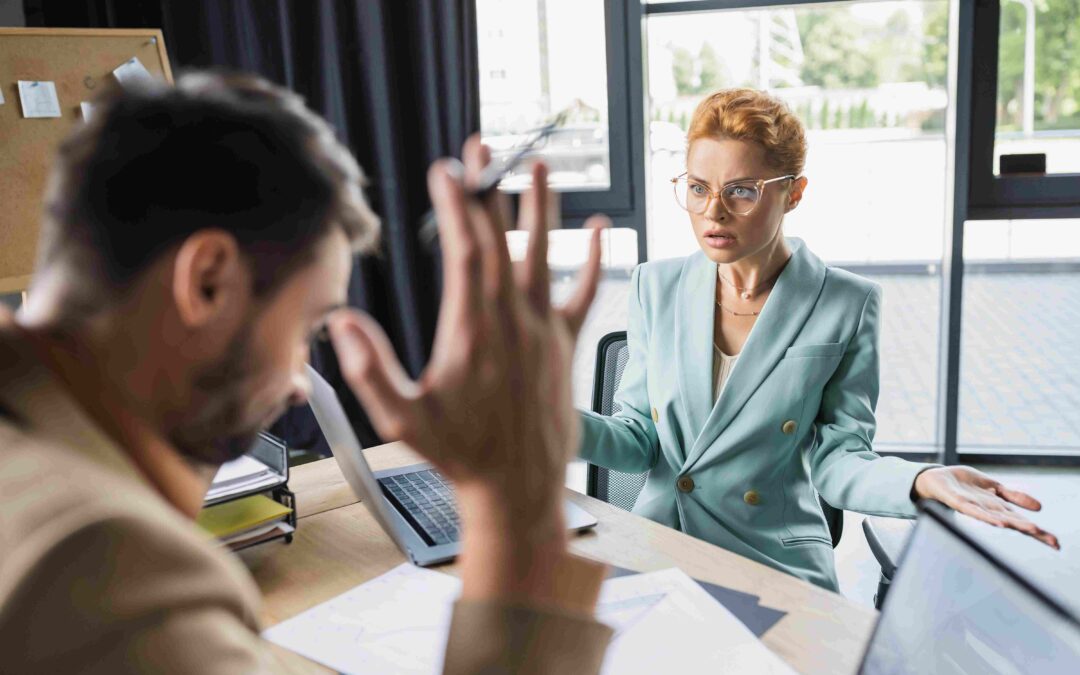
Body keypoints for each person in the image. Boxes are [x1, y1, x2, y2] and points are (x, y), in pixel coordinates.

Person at [0, 71, 613, 673]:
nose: (298, 383)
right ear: (208, 280)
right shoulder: (103, 566)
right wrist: (514, 509)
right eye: (306, 327)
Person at [578, 88, 1059, 591]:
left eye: (741, 190)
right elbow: (636, 440)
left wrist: (917, 482)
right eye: (698, 188)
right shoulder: (654, 287)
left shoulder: (846, 303)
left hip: (771, 563)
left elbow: (839, 460)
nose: (713, 212)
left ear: (795, 192)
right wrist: (537, 417)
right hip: (661, 551)